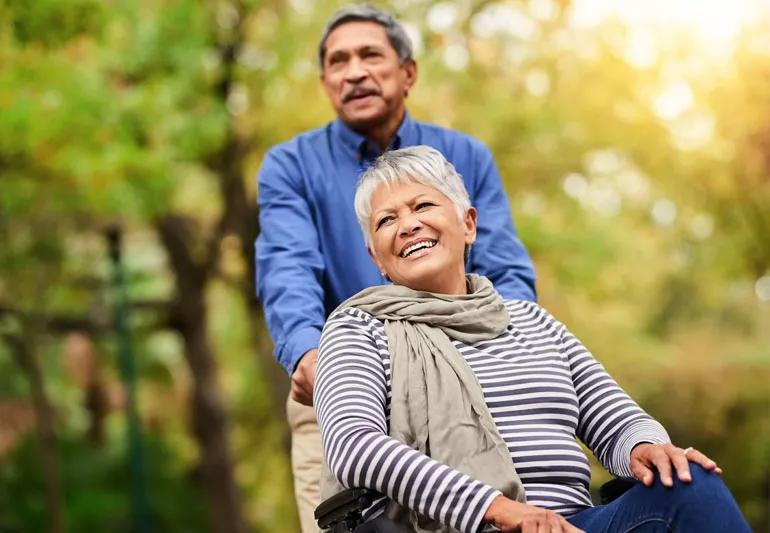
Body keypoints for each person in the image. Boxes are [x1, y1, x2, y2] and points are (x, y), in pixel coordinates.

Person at [314, 146, 751, 533]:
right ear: (377, 257)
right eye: (386, 220)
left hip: (575, 522)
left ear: (468, 224)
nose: (407, 225)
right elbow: (354, 446)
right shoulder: (357, 328)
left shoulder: (529, 319)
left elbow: (616, 421)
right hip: (463, 526)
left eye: (422, 205)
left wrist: (646, 447)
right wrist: (501, 510)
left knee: (691, 483)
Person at [255, 6, 536, 531]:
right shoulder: (290, 166)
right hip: (339, 384)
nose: (354, 72)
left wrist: (512, 348)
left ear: (408, 73)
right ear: (325, 83)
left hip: (466, 377)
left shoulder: (465, 156)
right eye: (338, 62)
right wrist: (307, 351)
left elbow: (507, 272)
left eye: (370, 56)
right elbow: (286, 267)